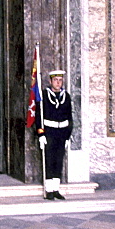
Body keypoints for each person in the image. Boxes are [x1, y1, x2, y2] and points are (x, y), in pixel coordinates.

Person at [35, 69, 73, 200]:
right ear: (50, 81)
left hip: (61, 133)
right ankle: (49, 189)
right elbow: (38, 116)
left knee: (58, 161)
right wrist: (41, 134)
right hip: (49, 132)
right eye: (56, 80)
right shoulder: (44, 95)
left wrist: (68, 136)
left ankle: (56, 188)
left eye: (60, 80)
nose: (58, 82)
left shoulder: (66, 96)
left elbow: (69, 117)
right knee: (49, 160)